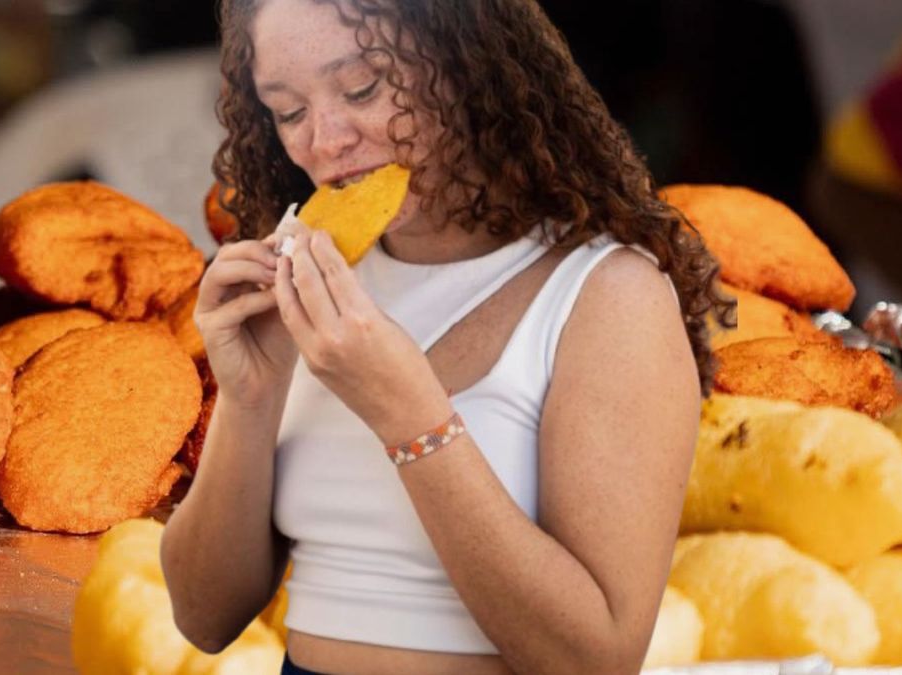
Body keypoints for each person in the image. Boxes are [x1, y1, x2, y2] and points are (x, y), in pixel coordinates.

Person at [161, 1, 731, 673]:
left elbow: (596, 657)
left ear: (466, 64)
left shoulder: (607, 295)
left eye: (363, 88)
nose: (324, 140)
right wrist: (249, 396)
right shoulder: (314, 293)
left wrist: (409, 415)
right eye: (288, 111)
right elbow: (204, 615)